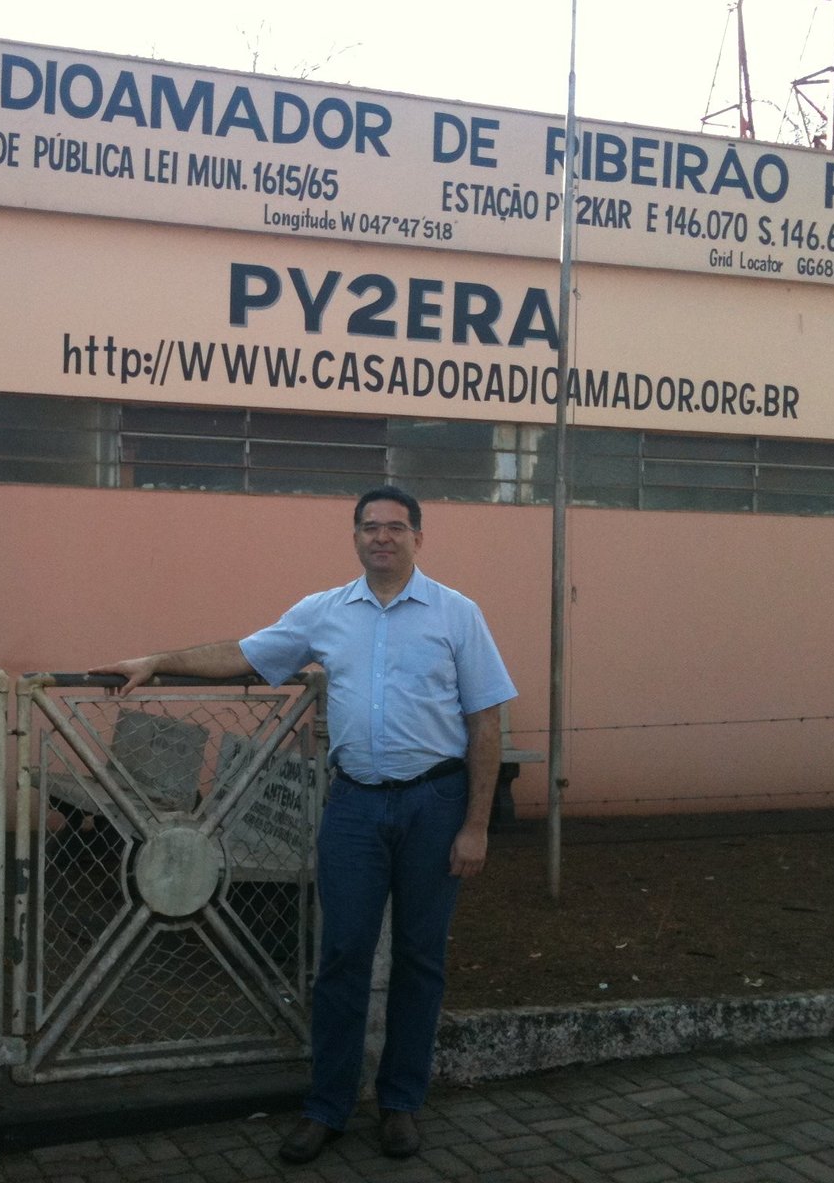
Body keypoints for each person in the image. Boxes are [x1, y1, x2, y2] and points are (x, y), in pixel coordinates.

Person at [92, 484, 517, 1163]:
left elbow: (486, 722)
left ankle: (401, 1103)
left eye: (395, 527)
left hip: (435, 804)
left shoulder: (457, 614)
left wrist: (476, 825)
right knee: (341, 957)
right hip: (355, 806)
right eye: (370, 527)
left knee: (420, 959)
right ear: (356, 537)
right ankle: (328, 1107)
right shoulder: (325, 613)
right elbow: (244, 653)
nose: (382, 537)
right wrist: (157, 661)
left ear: (418, 537)